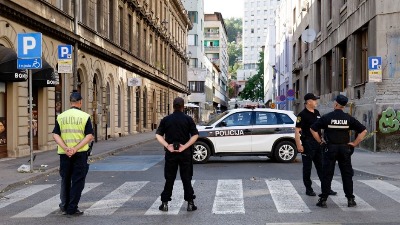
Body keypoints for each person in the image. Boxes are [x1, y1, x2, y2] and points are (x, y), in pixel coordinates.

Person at [310, 94, 367, 208]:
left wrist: (320, 142)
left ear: (336, 104)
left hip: (330, 148)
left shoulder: (327, 117)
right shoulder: (348, 118)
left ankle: (323, 199)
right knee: (346, 174)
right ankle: (350, 199)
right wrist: (354, 143)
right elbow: (363, 131)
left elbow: (313, 129)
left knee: (327, 174)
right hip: (344, 149)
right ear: (344, 106)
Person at [52, 92, 94, 216]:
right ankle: (72, 208)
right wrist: (75, 149)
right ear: (80, 102)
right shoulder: (85, 116)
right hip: (79, 154)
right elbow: (89, 136)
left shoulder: (61, 116)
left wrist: (65, 148)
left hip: (64, 154)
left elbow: (55, 134)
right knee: (77, 180)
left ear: (70, 102)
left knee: (65, 179)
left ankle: (64, 206)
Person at [155, 97, 199, 212]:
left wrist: (167, 145)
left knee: (169, 178)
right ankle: (190, 203)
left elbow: (158, 135)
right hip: (185, 153)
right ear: (183, 106)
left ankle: (164, 204)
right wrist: (185, 146)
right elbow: (195, 135)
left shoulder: (166, 119)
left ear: (173, 106)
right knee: (186, 178)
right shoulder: (188, 119)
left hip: (171, 154)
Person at [295, 93, 337, 197]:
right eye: (314, 100)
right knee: (307, 168)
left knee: (322, 167)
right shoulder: (301, 115)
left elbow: (320, 127)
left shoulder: (317, 112)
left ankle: (326, 188)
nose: (316, 102)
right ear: (308, 102)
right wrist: (298, 145)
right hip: (307, 143)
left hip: (318, 143)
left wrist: (322, 139)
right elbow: (297, 131)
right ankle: (308, 189)